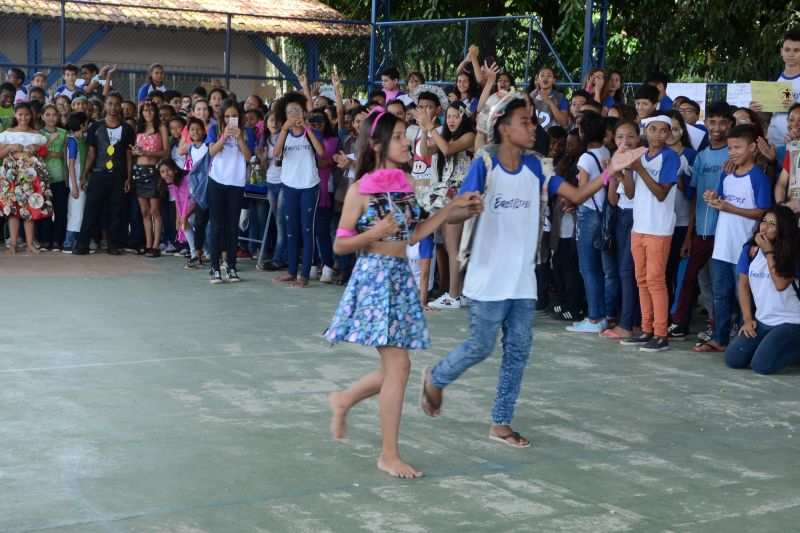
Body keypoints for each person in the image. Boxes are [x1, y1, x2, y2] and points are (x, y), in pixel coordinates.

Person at [421, 94, 646, 448]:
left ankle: (500, 422)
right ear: (504, 128)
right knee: (480, 347)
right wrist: (467, 208)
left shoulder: (540, 167)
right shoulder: (485, 165)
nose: (532, 126)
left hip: (522, 280)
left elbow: (577, 193)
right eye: (524, 121)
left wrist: (611, 170)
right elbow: (457, 210)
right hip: (487, 277)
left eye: (531, 120)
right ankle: (437, 376)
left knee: (518, 351)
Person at [325, 108, 482, 478]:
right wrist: (374, 233)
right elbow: (340, 245)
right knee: (400, 366)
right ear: (377, 143)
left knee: (393, 367)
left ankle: (344, 399)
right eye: (397, 137)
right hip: (375, 280)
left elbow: (414, 232)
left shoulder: (403, 183)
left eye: (404, 136)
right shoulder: (360, 189)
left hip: (398, 278)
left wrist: (456, 206)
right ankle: (388, 455)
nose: (406, 141)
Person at [698, 124, 773, 352]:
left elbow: (763, 211)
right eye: (730, 148)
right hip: (722, 246)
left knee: (745, 298)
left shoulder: (758, 177)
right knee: (721, 295)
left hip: (745, 247)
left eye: (738, 147)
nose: (732, 152)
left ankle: (744, 342)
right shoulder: (727, 173)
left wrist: (730, 208)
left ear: (752, 147)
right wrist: (713, 199)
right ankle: (720, 338)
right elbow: (723, 201)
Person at [669, 101, 733, 340]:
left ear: (730, 125)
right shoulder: (701, 156)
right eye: (713, 122)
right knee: (693, 279)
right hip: (701, 230)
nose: (717, 127)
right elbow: (694, 196)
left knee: (722, 283)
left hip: (725, 230)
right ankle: (684, 322)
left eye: (722, 123)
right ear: (705, 123)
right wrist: (689, 235)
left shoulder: (733, 153)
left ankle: (722, 327)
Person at [618, 115, 680, 352]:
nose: (657, 134)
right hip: (639, 226)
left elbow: (662, 193)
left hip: (659, 228)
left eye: (663, 131)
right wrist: (622, 174)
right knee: (641, 280)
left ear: (669, 135)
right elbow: (631, 194)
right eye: (652, 129)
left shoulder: (670, 157)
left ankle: (661, 334)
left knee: (655, 281)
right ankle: (646, 329)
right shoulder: (640, 155)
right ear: (645, 130)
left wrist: (639, 169)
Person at [725, 205, 800, 374]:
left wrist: (769, 253)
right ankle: (773, 344)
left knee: (762, 365)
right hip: (763, 320)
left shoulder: (794, 252)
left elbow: (780, 285)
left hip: (791, 322)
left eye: (772, 224)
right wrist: (748, 319)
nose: (765, 227)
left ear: (784, 229)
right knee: (733, 359)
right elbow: (743, 284)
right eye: (764, 221)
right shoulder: (750, 250)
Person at [415, 101, 476, 310]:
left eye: (455, 116)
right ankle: (453, 292)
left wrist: (431, 128)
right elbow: (425, 151)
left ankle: (454, 295)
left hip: (459, 195)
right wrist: (424, 129)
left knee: (453, 247)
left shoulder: (469, 136)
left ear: (464, 118)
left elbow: (448, 150)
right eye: (448, 116)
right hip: (444, 196)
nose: (451, 120)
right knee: (446, 245)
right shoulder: (445, 136)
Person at [567, 110, 616, 333]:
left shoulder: (586, 158)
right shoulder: (607, 151)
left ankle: (595, 318)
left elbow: (583, 191)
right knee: (604, 269)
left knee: (588, 268)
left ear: (583, 130)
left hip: (588, 214)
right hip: (605, 213)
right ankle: (604, 315)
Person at [271, 92, 325, 288]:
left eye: (298, 111)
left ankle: (305, 274)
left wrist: (306, 127)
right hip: (289, 186)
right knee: (291, 230)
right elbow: (276, 153)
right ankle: (292, 272)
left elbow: (320, 151)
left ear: (304, 111)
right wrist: (284, 130)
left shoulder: (311, 132)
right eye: (290, 112)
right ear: (284, 116)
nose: (294, 115)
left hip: (309, 186)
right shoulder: (282, 134)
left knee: (306, 230)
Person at [73, 92, 136, 256]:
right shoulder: (96, 127)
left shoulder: (127, 129)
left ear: (120, 106)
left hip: (118, 175)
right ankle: (82, 244)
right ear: (105, 105)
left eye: (116, 104)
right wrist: (85, 174)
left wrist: (129, 177)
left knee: (116, 211)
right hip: (99, 173)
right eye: (110, 103)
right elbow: (92, 153)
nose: (113, 107)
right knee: (90, 209)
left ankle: (113, 245)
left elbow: (129, 155)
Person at [206, 99, 252, 283]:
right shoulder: (214, 130)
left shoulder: (246, 132)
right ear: (221, 117)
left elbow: (249, 156)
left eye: (234, 115)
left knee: (233, 226)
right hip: (216, 181)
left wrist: (240, 137)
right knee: (216, 226)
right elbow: (211, 152)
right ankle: (214, 267)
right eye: (226, 116)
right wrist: (224, 137)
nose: (230, 119)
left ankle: (231, 266)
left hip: (236, 183)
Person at [603, 120, 641, 340]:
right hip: (623, 216)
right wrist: (613, 173)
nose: (624, 141)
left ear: (637, 138)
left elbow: (632, 192)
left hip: (636, 217)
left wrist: (622, 172)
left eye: (629, 136)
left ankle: (627, 324)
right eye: (619, 137)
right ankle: (632, 322)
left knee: (627, 271)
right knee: (625, 271)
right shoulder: (618, 159)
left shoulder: (638, 159)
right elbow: (613, 200)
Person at [0, 102, 53, 253]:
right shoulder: (7, 133)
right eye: (20, 114)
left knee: (30, 207)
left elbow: (44, 153)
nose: (23, 117)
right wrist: (10, 147)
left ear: (31, 115)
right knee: (13, 208)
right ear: (15, 115)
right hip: (12, 173)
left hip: (31, 174)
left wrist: (37, 149)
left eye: (27, 114)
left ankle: (30, 244)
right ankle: (13, 244)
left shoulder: (37, 134)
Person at [133, 98, 170, 257]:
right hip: (140, 170)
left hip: (154, 170)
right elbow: (134, 150)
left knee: (155, 210)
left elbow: (166, 151)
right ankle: (148, 243)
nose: (148, 113)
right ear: (141, 112)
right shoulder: (138, 128)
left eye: (151, 110)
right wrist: (135, 152)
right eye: (145, 110)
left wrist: (148, 153)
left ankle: (156, 245)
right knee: (145, 211)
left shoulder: (161, 127)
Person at [308, 107, 340, 283]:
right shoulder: (304, 136)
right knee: (309, 230)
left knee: (322, 230)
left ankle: (327, 265)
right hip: (306, 187)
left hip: (325, 189)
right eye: (312, 120)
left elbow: (335, 160)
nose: (317, 123)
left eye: (320, 120)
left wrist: (323, 162)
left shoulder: (335, 139)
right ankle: (312, 265)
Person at [754, 29, 800, 147]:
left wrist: (795, 108)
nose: (791, 54)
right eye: (787, 50)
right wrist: (758, 111)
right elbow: (768, 117)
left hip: (796, 145)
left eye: (796, 50)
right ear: (781, 52)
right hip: (773, 145)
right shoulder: (773, 81)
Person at [260, 110, 288, 271]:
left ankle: (278, 258)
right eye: (271, 120)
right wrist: (263, 158)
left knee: (280, 222)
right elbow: (264, 169)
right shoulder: (264, 140)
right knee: (279, 221)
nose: (274, 123)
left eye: (277, 120)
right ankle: (282, 256)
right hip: (271, 183)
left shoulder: (284, 138)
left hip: (284, 183)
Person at [39, 104, 69, 251]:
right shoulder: (39, 134)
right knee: (45, 209)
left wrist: (56, 154)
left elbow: (69, 154)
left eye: (54, 114)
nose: (51, 117)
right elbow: (37, 154)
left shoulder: (64, 133)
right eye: (48, 114)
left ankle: (58, 239)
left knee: (61, 210)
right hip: (43, 179)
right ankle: (45, 239)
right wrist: (49, 141)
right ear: (42, 116)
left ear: (58, 116)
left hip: (60, 178)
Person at [158, 158, 196, 264]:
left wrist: (185, 217)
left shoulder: (187, 179)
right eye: (162, 172)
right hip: (187, 213)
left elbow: (197, 201)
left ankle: (200, 253)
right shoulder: (171, 183)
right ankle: (197, 254)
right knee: (185, 226)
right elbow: (177, 200)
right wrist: (178, 217)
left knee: (192, 227)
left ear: (174, 169)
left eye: (168, 170)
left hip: (198, 210)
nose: (166, 174)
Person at [63, 111, 89, 253]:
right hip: (77, 181)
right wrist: (74, 186)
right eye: (86, 122)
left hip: (82, 181)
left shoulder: (82, 140)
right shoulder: (73, 141)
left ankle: (77, 241)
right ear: (81, 124)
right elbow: (71, 164)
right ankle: (69, 242)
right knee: (75, 212)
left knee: (80, 211)